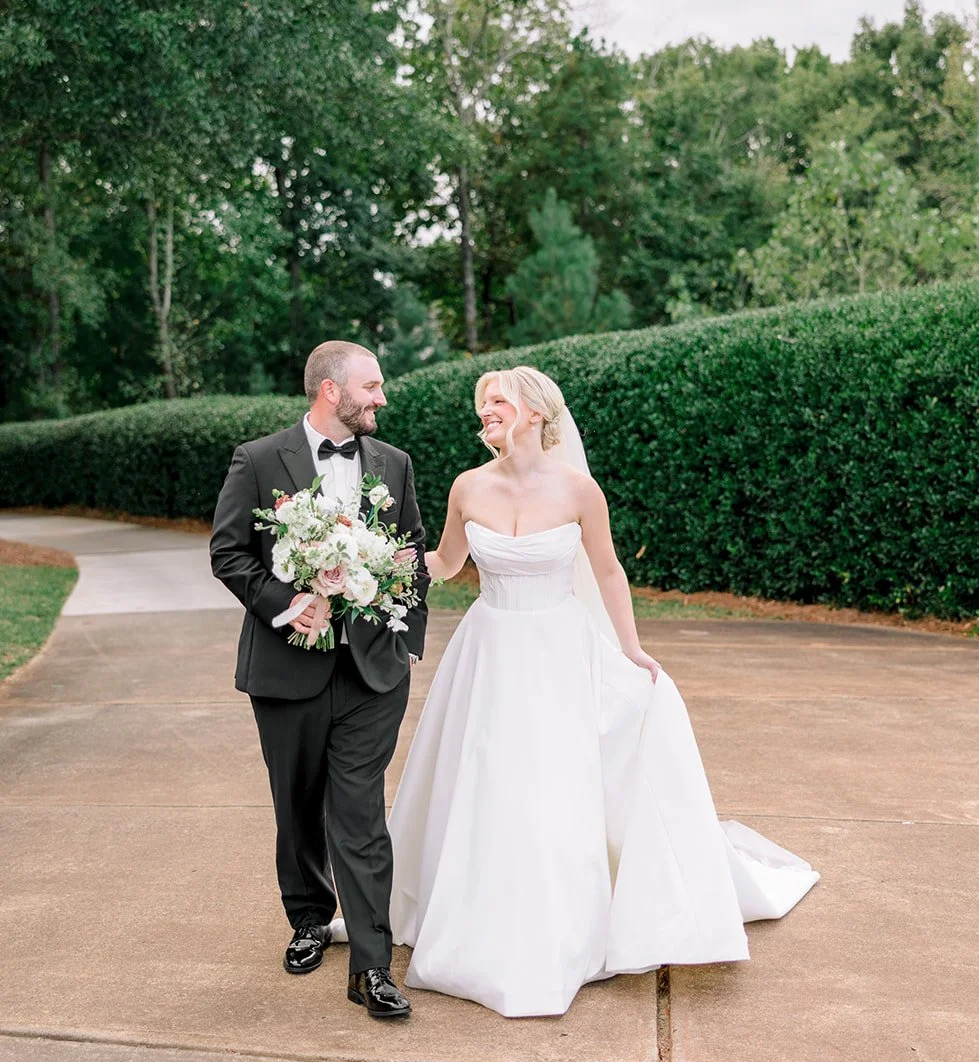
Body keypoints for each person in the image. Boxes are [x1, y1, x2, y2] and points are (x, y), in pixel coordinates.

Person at [381, 364, 819, 1018]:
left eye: (496, 401)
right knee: (485, 777)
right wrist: (376, 562)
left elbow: (608, 571)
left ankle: (556, 926)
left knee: (551, 783)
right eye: (483, 404)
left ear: (533, 410)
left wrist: (631, 649)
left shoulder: (579, 490)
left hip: (557, 651)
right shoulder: (468, 486)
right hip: (489, 650)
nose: (485, 413)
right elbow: (445, 563)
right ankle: (474, 909)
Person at [210, 341, 428, 1021]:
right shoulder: (257, 459)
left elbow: (413, 553)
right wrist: (286, 603)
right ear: (331, 391)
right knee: (297, 803)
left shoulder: (394, 464)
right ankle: (308, 916)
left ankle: (372, 964)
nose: (381, 398)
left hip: (372, 670)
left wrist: (407, 638)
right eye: (372, 385)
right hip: (287, 667)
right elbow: (227, 552)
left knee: (360, 814)